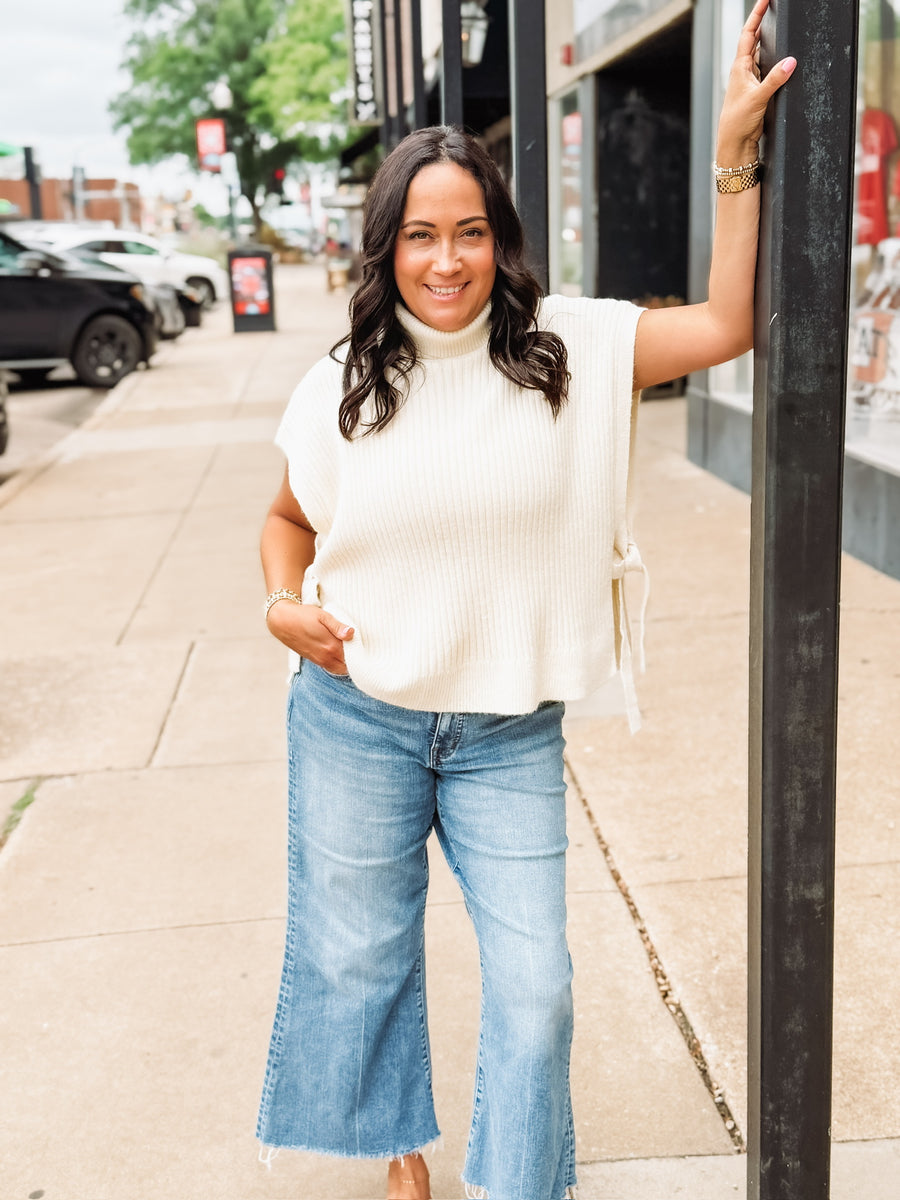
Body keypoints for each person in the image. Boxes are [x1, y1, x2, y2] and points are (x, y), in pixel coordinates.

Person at [255, 3, 795, 1197]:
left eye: (470, 234)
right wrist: (282, 608)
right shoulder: (343, 385)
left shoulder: (569, 350)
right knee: (365, 959)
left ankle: (516, 1182)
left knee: (538, 986)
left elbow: (724, 325)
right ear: (385, 247)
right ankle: (403, 1154)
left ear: (502, 238)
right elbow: (286, 521)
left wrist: (735, 152)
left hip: (504, 733)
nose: (444, 262)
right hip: (357, 717)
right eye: (417, 237)